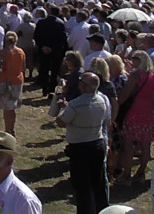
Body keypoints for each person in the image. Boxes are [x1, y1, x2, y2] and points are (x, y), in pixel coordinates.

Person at [57, 72, 110, 214]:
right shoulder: (101, 100)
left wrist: (63, 108)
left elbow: (61, 122)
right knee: (98, 183)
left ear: (84, 86)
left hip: (80, 147)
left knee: (83, 186)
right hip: (98, 144)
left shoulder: (75, 104)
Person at [117, 50, 154, 184]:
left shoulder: (135, 76)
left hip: (134, 110)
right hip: (147, 110)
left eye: (134, 58)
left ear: (139, 60)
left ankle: (126, 174)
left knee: (128, 143)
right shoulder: (151, 75)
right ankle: (141, 172)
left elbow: (125, 94)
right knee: (145, 144)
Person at [0, 32, 26, 136]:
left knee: (7, 108)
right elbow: (23, 67)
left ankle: (8, 129)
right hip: (18, 80)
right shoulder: (21, 52)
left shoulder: (4, 52)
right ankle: (11, 129)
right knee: (12, 108)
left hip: (6, 81)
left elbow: (0, 67)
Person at [34, 8, 68, 97]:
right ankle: (52, 90)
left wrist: (42, 46)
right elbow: (62, 39)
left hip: (43, 50)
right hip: (55, 51)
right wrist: (53, 48)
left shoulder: (41, 22)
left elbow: (36, 36)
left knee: (44, 70)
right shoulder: (60, 23)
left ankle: (44, 88)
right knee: (54, 71)